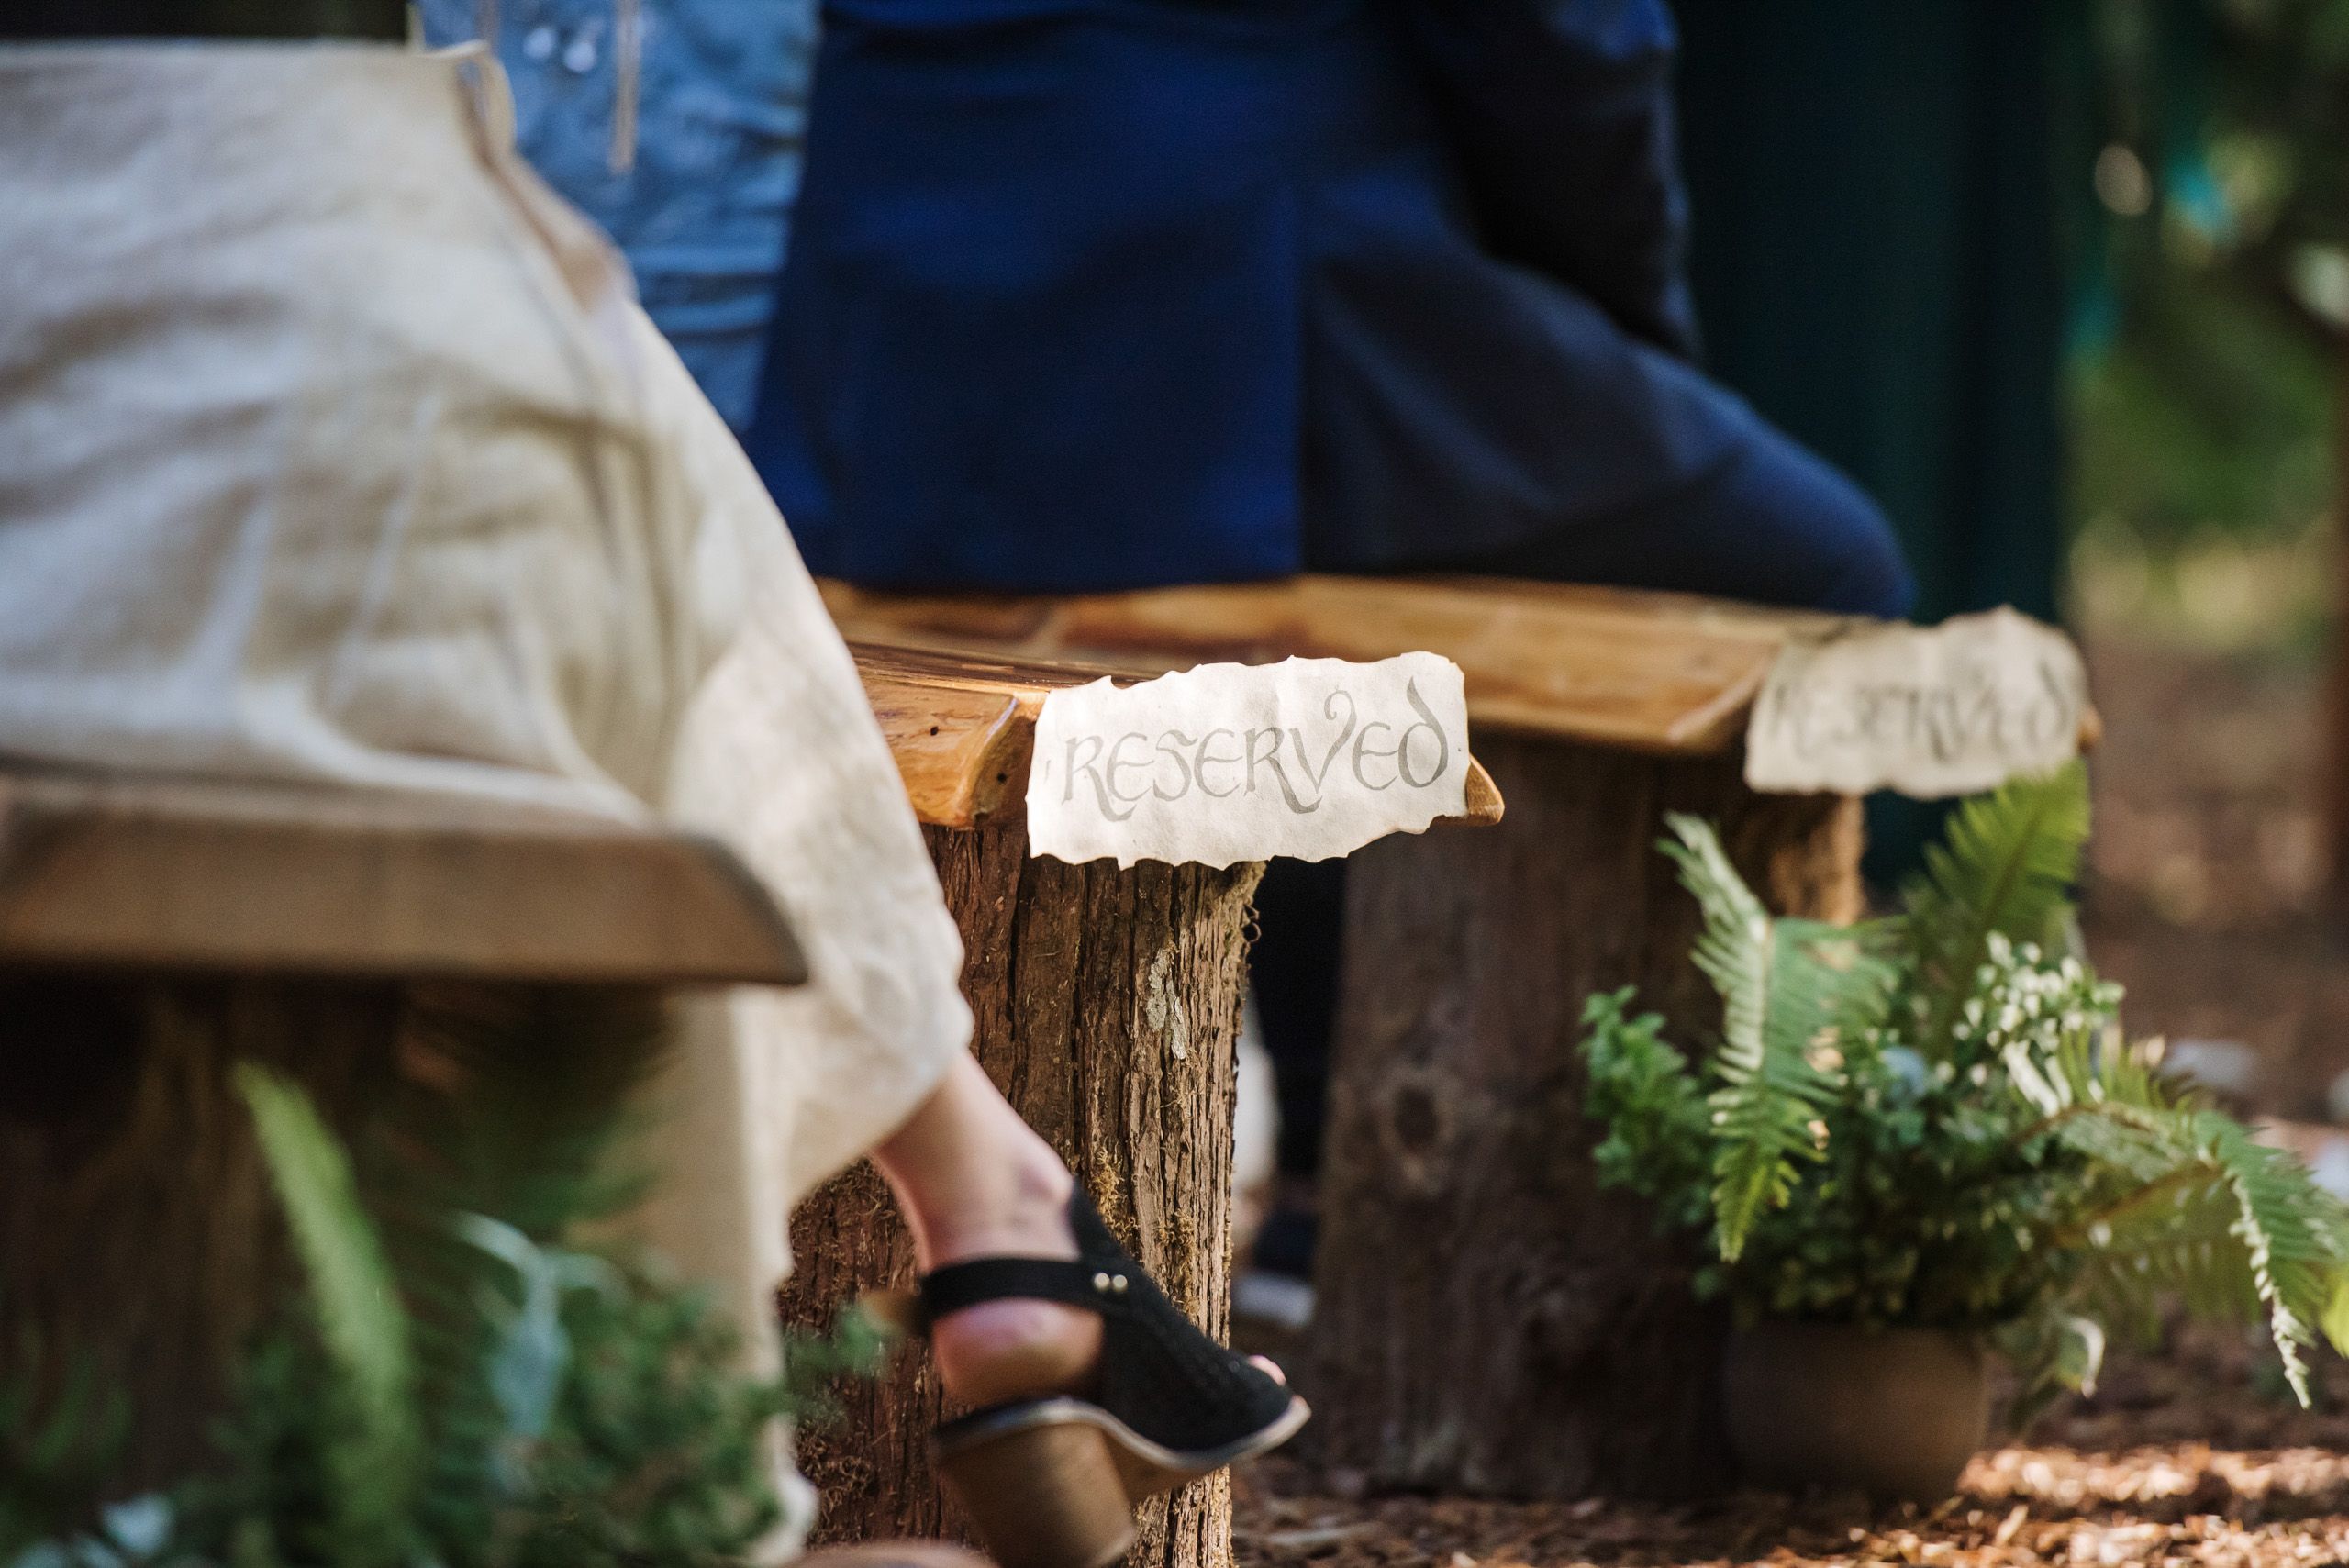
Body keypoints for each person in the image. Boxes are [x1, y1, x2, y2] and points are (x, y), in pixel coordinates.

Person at [0, 7, 1299, 1561]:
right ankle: (982, 1229)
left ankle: (991, 1199)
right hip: (320, 266)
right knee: (625, 554)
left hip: (156, 308)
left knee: (602, 460)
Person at [740, 0, 1917, 1277]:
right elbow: (1568, 49)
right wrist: (1629, 328)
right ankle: (1738, 1211)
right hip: (1250, 292)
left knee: (1328, 588)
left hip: (885, 351)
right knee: (1827, 576)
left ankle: (1302, 1180)